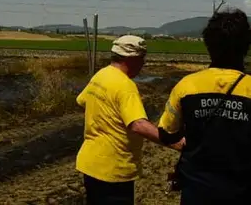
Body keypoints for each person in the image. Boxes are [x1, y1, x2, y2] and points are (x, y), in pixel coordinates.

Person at [156, 8, 251, 204]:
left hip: (196, 191)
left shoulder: (187, 86)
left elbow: (167, 133)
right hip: (242, 191)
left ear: (209, 46)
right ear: (246, 47)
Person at [75, 34, 184, 204]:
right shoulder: (126, 86)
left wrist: (105, 119)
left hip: (90, 164)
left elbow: (82, 101)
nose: (143, 64)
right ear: (131, 59)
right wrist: (174, 141)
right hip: (114, 169)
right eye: (142, 59)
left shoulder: (101, 75)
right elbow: (138, 125)